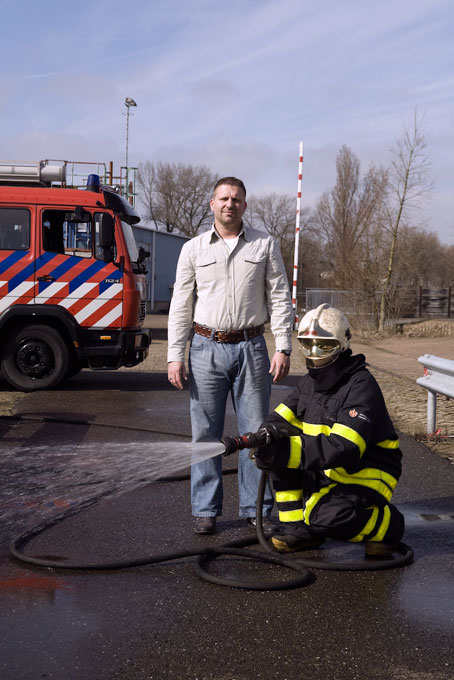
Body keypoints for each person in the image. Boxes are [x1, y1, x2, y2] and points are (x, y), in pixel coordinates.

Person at [167, 176, 293, 535]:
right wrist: (175, 354)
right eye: (223, 198)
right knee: (205, 432)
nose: (229, 204)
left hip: (252, 347)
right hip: (205, 348)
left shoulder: (265, 244)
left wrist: (283, 346)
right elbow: (181, 304)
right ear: (212, 204)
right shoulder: (193, 249)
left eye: (236, 199)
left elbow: (280, 296)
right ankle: (206, 510)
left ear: (245, 205)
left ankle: (257, 510)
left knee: (256, 433)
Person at [253, 303, 405, 558]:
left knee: (327, 517)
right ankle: (299, 531)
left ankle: (388, 526)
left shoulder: (360, 385)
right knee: (277, 451)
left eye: (324, 346)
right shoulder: (310, 383)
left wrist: (287, 451)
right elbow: (278, 419)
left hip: (364, 474)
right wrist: (264, 439)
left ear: (341, 345)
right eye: (308, 344)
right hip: (328, 469)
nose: (314, 353)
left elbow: (345, 447)